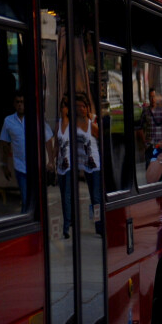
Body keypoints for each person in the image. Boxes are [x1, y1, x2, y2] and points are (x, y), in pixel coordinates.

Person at [1, 91, 51, 214]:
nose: (20, 105)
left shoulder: (36, 119)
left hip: (36, 167)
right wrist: (5, 165)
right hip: (20, 167)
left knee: (37, 199)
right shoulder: (8, 121)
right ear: (14, 104)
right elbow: (4, 144)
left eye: (22, 102)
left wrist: (51, 161)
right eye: (17, 102)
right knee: (25, 199)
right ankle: (26, 222)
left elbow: (48, 139)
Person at [75, 92, 103, 234]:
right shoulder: (73, 123)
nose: (81, 109)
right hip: (86, 165)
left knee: (97, 197)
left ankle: (99, 226)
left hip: (97, 164)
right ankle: (97, 221)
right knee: (93, 196)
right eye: (78, 107)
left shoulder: (93, 120)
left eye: (83, 106)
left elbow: (100, 136)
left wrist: (89, 123)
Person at [54, 95, 73, 238]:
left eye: (65, 106)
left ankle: (66, 227)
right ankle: (70, 219)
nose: (62, 109)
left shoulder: (73, 126)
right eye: (61, 106)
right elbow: (56, 146)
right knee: (63, 196)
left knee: (67, 196)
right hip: (60, 165)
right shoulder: (58, 124)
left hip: (70, 165)